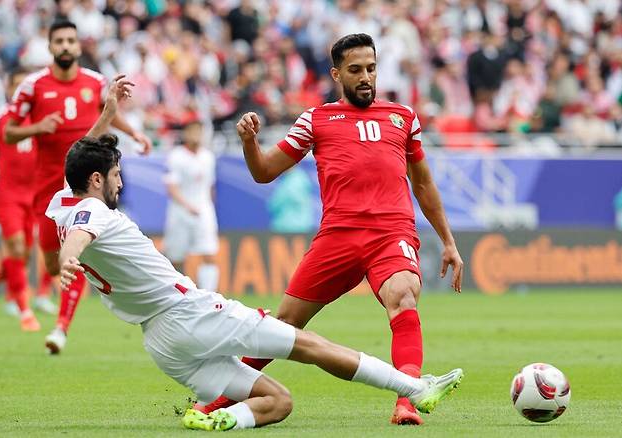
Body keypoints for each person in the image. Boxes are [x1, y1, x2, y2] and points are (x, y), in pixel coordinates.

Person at [50, 76, 463, 431]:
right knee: (308, 345)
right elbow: (83, 231)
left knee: (278, 402)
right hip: (188, 313)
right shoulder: (90, 212)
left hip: (159, 341)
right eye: (117, 176)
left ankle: (222, 420)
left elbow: (81, 160)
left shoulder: (63, 201)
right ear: (98, 179)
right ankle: (414, 388)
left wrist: (106, 113)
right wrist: (69, 256)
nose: (120, 185)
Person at [199, 33, 464, 426]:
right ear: (337, 74)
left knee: (404, 296)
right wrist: (250, 143)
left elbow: (423, 183)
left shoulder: (403, 117)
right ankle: (218, 400)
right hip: (338, 236)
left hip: (392, 234)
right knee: (284, 325)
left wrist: (447, 241)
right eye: (356, 70)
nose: (366, 78)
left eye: (371, 69)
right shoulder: (316, 119)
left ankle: (407, 400)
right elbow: (264, 172)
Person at [4, 20, 152, 354]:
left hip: (84, 184)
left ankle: (61, 328)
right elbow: (9, 133)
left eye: (71, 40)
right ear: (50, 45)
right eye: (60, 41)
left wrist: (135, 133)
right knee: (53, 264)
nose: (67, 46)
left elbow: (108, 113)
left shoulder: (96, 81)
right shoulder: (32, 85)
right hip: (47, 186)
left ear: (78, 44)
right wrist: (38, 127)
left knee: (78, 247)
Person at [0, 68, 51, 330]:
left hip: (33, 194)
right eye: (14, 85)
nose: (18, 91)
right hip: (8, 193)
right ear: (7, 88)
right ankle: (24, 309)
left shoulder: (40, 118)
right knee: (14, 245)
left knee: (22, 254)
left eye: (22, 86)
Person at [163, 117, 219, 291]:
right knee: (176, 256)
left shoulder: (208, 157)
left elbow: (210, 186)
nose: (196, 135)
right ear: (185, 133)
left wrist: (208, 206)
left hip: (204, 211)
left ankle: (209, 295)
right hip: (180, 212)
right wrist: (187, 206)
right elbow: (171, 187)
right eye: (193, 130)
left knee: (209, 253)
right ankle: (177, 292)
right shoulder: (176, 156)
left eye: (199, 131)